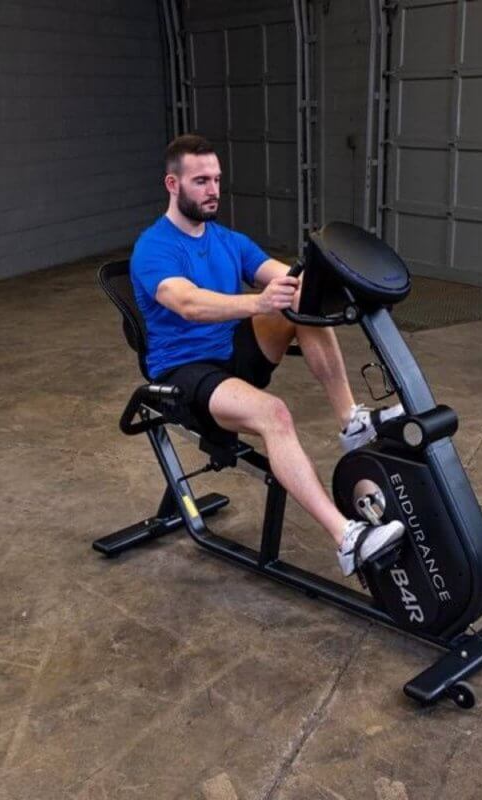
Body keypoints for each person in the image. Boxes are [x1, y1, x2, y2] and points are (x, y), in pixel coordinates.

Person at [130, 133, 404, 577]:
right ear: (172, 184)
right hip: (184, 373)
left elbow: (285, 281)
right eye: (201, 180)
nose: (213, 189)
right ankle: (347, 539)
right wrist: (258, 303)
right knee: (274, 415)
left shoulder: (226, 239)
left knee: (303, 307)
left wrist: (339, 288)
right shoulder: (154, 247)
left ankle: (350, 421)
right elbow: (187, 302)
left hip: (235, 351)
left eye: (217, 179)